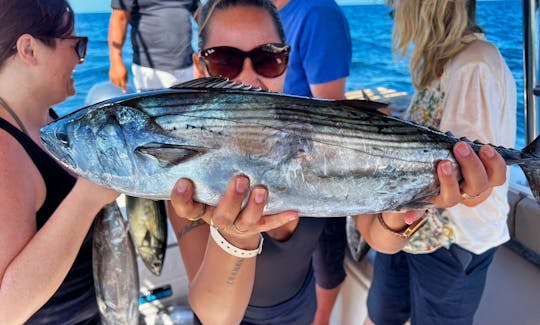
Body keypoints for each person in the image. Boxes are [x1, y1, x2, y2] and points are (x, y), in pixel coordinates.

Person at [165, 1, 508, 324]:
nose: (248, 78)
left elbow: (379, 238)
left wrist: (406, 208)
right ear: (200, 66)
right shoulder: (183, 165)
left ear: (286, 61)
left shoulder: (317, 144)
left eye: (268, 59)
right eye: (224, 60)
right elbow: (216, 316)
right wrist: (235, 237)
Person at [365, 1, 517, 324]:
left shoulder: (474, 63)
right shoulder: (446, 63)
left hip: (453, 243)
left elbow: (472, 184)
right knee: (380, 314)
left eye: (396, 6)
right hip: (411, 228)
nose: (392, 11)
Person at [0, 1, 119, 324]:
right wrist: (89, 195)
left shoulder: (49, 123)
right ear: (30, 50)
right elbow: (6, 310)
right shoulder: (4, 151)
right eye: (76, 46)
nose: (81, 60)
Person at [270, 1, 352, 323]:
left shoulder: (318, 13)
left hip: (314, 173)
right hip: (266, 172)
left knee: (325, 261)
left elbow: (332, 111)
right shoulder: (259, 10)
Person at [108, 0, 200, 92]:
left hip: (189, 67)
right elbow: (120, 18)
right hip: (150, 70)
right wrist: (116, 62)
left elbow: (201, 16)